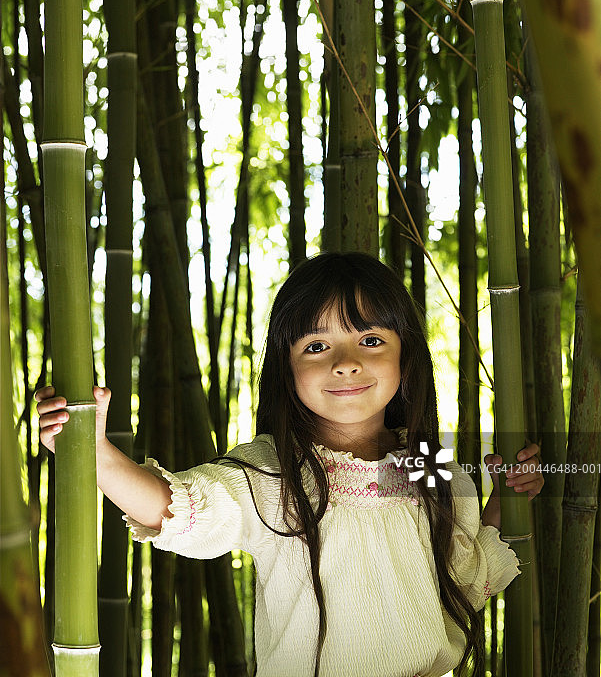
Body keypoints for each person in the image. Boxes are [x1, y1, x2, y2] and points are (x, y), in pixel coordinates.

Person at [37, 252, 543, 677]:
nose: (346, 362)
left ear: (406, 359)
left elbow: (462, 575)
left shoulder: (432, 468)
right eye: (317, 346)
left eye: (370, 341)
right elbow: (184, 508)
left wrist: (506, 498)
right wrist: (97, 456)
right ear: (288, 369)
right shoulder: (274, 473)